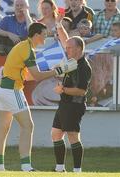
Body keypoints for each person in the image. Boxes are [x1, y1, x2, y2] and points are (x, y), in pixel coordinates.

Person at [0, 21, 76, 171]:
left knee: (2, 128)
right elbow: (37, 76)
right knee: (28, 126)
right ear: (36, 35)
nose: (45, 38)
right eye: (44, 35)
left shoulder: (23, 46)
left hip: (2, 89)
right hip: (12, 90)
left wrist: (56, 70)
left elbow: (28, 76)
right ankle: (26, 167)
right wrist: (60, 70)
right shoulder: (27, 48)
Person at [51, 36, 92, 172]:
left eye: (69, 47)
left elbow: (81, 91)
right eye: (66, 47)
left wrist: (62, 89)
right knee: (56, 133)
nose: (66, 49)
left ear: (79, 49)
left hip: (74, 105)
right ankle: (59, 169)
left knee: (73, 136)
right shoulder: (71, 62)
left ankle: (77, 171)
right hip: (64, 104)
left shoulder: (83, 66)